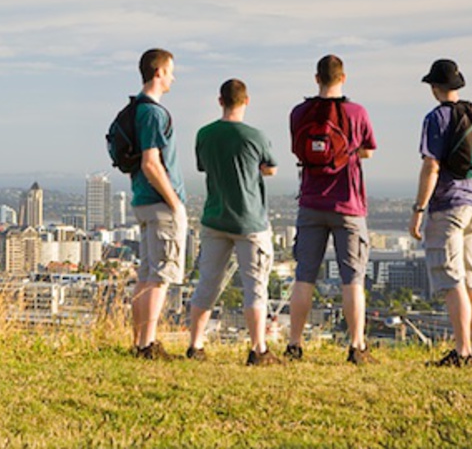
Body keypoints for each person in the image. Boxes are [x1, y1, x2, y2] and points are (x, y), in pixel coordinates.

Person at [287, 55, 377, 365]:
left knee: (304, 276)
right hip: (347, 204)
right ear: (344, 77)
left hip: (310, 202)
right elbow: (367, 150)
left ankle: (294, 344)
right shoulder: (356, 112)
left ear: (316, 78)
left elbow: (298, 149)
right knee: (352, 278)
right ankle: (356, 345)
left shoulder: (299, 113)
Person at [186, 79, 279, 366]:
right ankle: (258, 349)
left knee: (207, 284)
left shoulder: (205, 134)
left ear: (220, 100)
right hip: (249, 221)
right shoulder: (255, 137)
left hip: (215, 217)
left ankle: (195, 345)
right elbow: (271, 169)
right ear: (246, 101)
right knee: (255, 286)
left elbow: (204, 165)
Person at [409, 59, 472, 367]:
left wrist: (419, 209)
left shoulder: (436, 119)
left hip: (448, 206)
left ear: (434, 88)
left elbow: (431, 166)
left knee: (452, 280)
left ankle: (462, 351)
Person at [130, 48, 188, 360]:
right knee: (160, 276)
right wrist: (174, 201)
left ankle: (140, 340)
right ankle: (147, 345)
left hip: (142, 199)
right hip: (158, 201)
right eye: (170, 72)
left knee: (146, 274)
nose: (173, 78)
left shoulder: (137, 109)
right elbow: (151, 162)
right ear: (158, 73)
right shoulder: (153, 112)